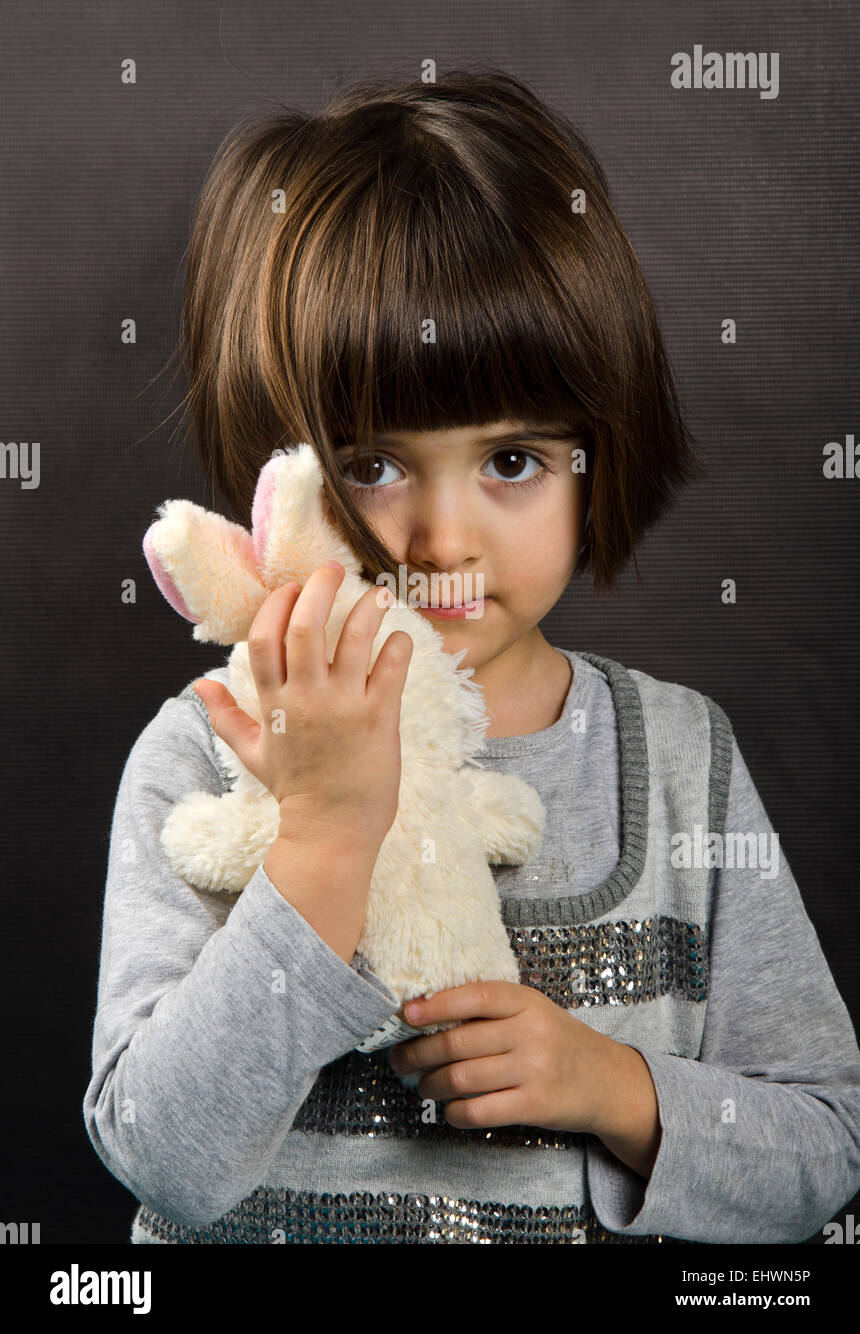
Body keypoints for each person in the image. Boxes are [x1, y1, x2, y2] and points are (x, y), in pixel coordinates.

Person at [83, 71, 860, 1244]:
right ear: (275, 483)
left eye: (510, 463)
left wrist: (615, 1086)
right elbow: (159, 1154)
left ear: (597, 452)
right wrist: (324, 840)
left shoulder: (677, 758)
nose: (442, 540)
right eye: (373, 464)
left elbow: (823, 1144)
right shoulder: (207, 747)